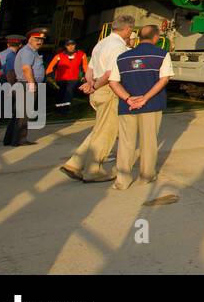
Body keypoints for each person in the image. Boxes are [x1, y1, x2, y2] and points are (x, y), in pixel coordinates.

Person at [61, 16, 133, 182]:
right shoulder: (118, 47)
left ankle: (75, 162)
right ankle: (94, 170)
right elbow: (109, 74)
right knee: (107, 132)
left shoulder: (102, 43)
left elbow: (90, 68)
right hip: (108, 90)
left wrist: (90, 84)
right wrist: (95, 86)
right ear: (128, 29)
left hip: (98, 89)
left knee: (99, 129)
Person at [108, 23, 171, 191]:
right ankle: (146, 176)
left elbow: (113, 82)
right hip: (151, 105)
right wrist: (145, 98)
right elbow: (163, 80)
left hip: (127, 107)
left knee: (126, 143)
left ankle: (122, 180)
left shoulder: (122, 57)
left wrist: (128, 99)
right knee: (149, 142)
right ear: (156, 38)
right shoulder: (162, 55)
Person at [4, 27, 47, 146]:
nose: (39, 42)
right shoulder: (28, 51)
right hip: (27, 84)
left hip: (25, 84)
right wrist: (32, 84)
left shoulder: (31, 51)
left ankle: (9, 139)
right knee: (24, 113)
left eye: (41, 40)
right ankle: (20, 139)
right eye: (36, 39)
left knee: (18, 113)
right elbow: (26, 68)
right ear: (29, 40)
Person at [46, 39, 87, 111]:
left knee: (69, 92)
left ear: (75, 45)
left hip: (73, 79)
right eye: (68, 45)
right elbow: (50, 67)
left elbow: (85, 66)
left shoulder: (82, 54)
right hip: (60, 79)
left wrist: (85, 76)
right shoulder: (59, 56)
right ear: (65, 46)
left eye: (72, 45)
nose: (71, 47)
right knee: (61, 93)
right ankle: (59, 108)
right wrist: (49, 76)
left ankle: (64, 109)